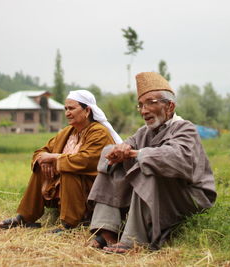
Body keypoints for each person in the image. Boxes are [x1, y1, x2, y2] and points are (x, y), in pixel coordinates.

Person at [87, 72, 217, 253]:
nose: (143, 110)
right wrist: (119, 151)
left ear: (170, 106)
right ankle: (107, 231)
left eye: (150, 103)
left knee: (147, 166)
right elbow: (125, 146)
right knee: (113, 162)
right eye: (140, 105)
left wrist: (136, 154)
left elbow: (177, 159)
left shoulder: (185, 128)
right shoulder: (144, 131)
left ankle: (134, 240)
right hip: (165, 191)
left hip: (192, 195)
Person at [0, 90, 122, 230]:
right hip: (65, 186)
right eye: (66, 109)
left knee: (69, 168)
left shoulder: (99, 132)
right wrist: (44, 161)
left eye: (72, 108)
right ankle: (25, 218)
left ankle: (69, 224)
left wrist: (54, 158)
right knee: (41, 166)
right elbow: (41, 152)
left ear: (87, 110)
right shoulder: (67, 132)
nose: (67, 113)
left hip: (92, 188)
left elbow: (86, 160)